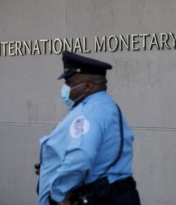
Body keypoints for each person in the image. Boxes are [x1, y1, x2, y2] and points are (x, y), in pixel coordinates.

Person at [35, 51, 141, 205]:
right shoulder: (107, 106)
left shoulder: (88, 112)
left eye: (70, 82)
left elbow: (81, 156)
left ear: (88, 86)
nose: (66, 88)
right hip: (118, 194)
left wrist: (60, 193)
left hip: (103, 197)